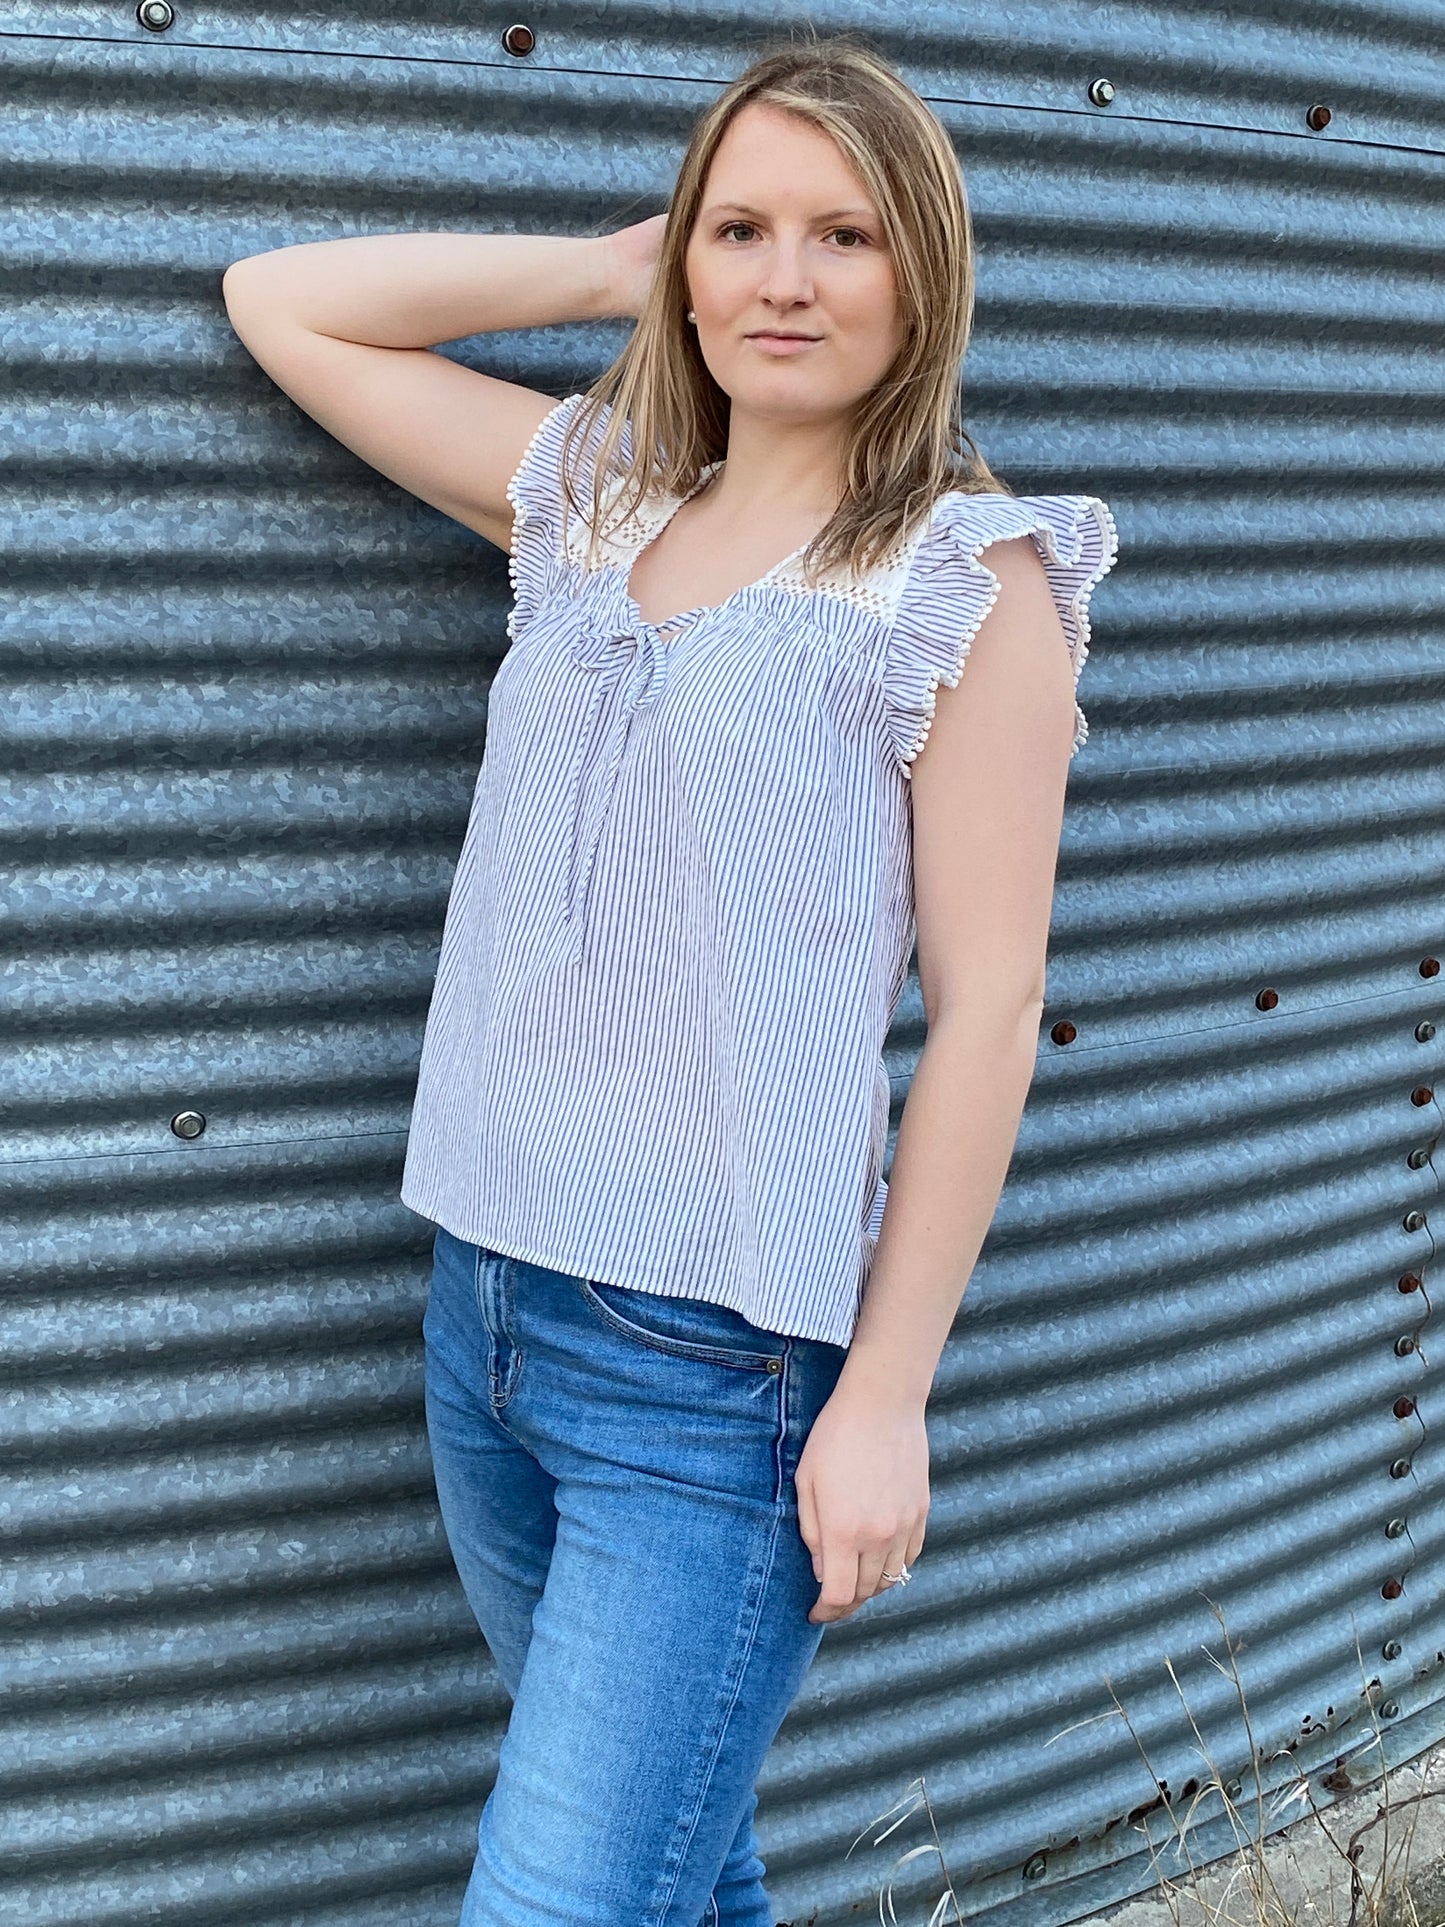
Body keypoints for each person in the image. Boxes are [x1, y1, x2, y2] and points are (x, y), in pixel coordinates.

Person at [221, 27, 1118, 1926]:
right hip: (487, 1305)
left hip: (715, 1373)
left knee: (559, 1905)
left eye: (844, 237)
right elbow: (283, 307)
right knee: (679, 1876)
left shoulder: (962, 578)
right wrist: (611, 267)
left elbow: (991, 1012)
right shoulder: (593, 504)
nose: (784, 279)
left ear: (925, 274)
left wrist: (885, 1398)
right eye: (743, 231)